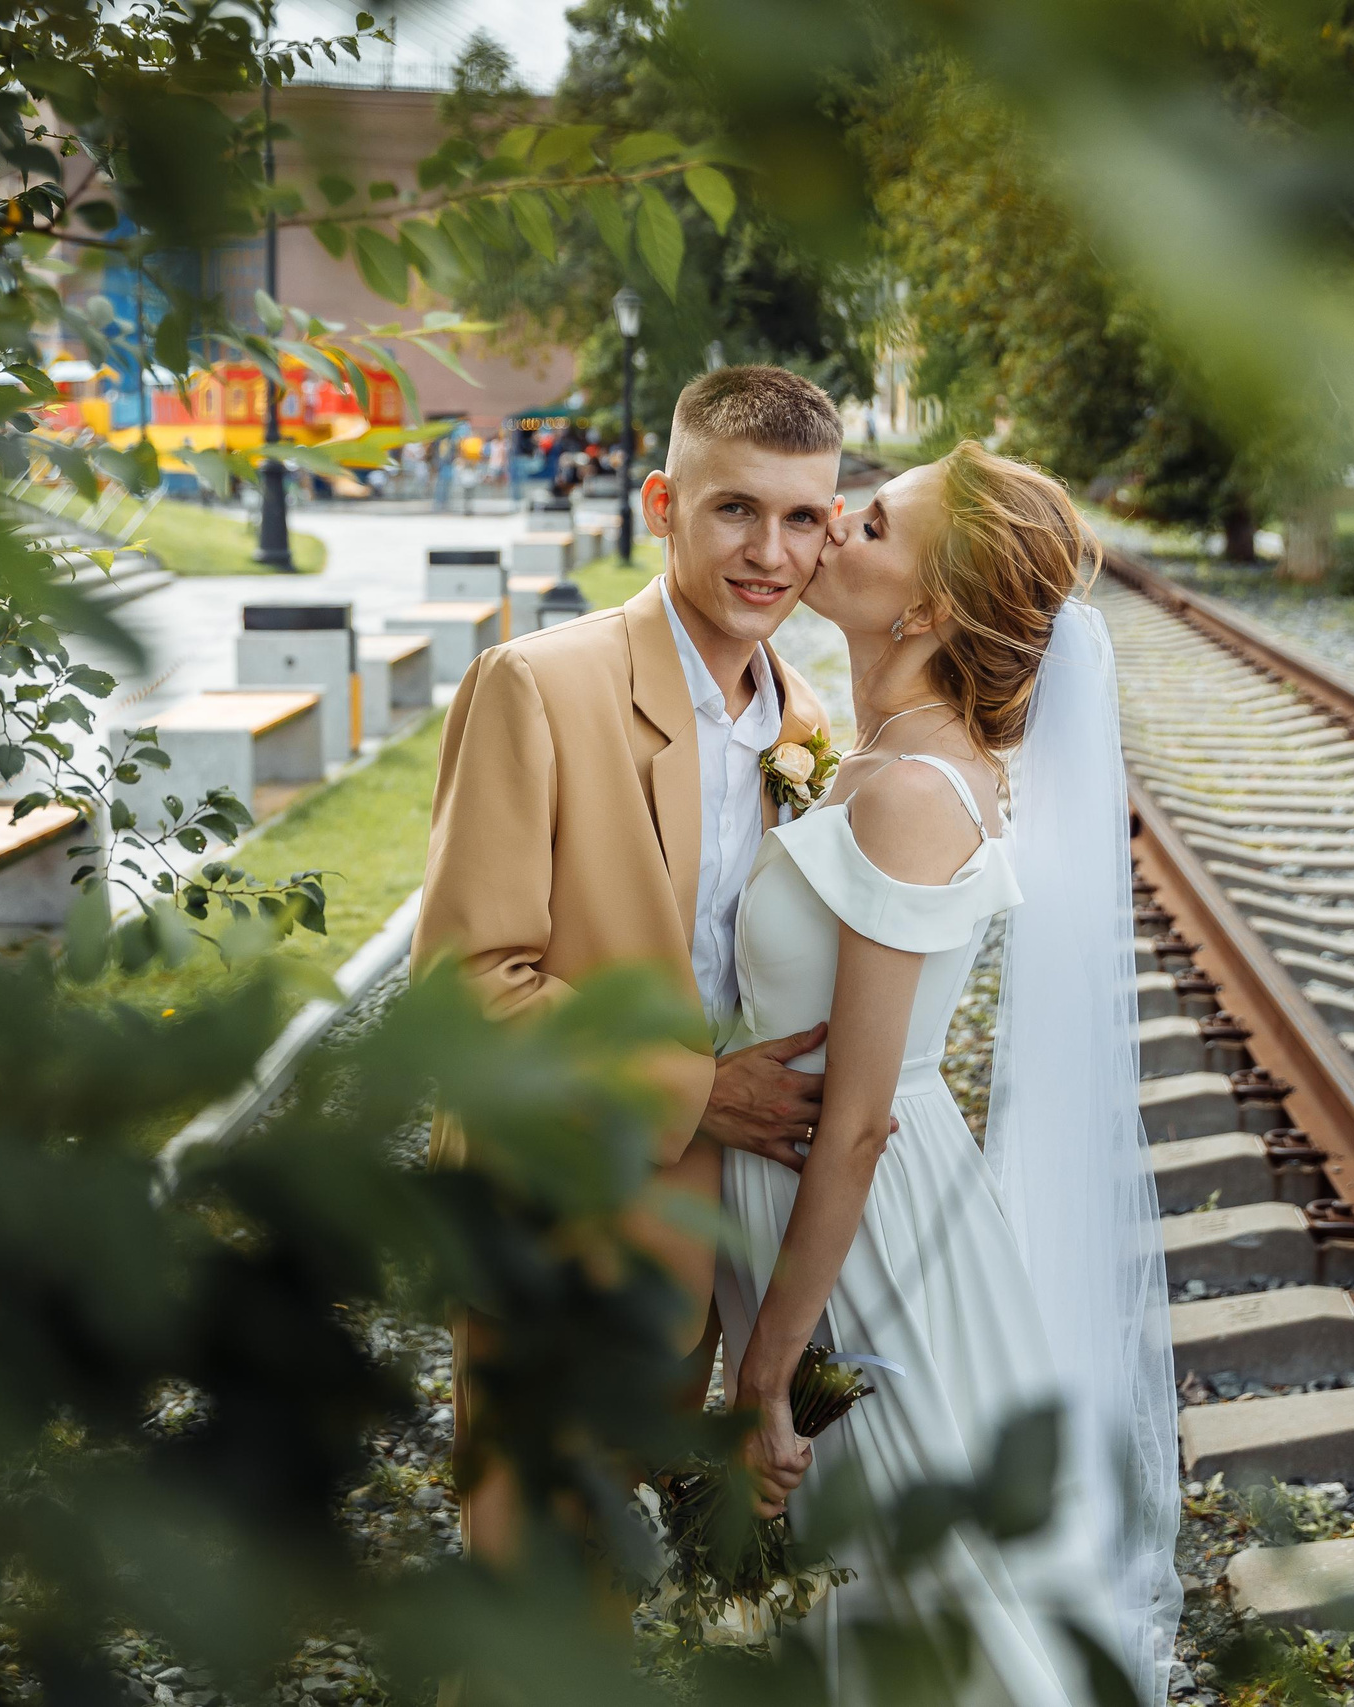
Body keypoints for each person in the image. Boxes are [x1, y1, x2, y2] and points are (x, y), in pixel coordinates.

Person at [718, 442, 1179, 1704]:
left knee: (922, 1623)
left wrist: (765, 1370)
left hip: (869, 1249)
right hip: (830, 1223)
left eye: (865, 524)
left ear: (923, 607)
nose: (824, 529)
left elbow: (859, 1120)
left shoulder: (912, 794)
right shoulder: (864, 761)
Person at [417, 365, 846, 1560]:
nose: (770, 552)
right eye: (734, 509)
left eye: (802, 517)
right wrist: (700, 1090)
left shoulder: (806, 724)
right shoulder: (538, 688)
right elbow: (466, 984)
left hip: (716, 1241)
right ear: (662, 504)